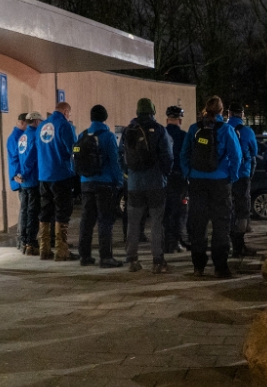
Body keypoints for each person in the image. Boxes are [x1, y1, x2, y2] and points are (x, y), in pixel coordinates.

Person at [180, 96, 241, 278]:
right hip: (220, 183)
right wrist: (232, 176)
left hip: (197, 182)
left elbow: (184, 154)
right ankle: (220, 267)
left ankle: (198, 266)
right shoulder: (227, 130)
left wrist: (189, 173)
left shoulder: (194, 129)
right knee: (221, 225)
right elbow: (236, 156)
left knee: (198, 224)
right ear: (222, 111)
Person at [121, 98, 174, 273]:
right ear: (152, 111)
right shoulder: (159, 130)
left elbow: (120, 155)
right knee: (157, 222)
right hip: (155, 183)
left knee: (134, 222)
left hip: (134, 185)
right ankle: (158, 261)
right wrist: (164, 175)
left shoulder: (128, 130)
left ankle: (132, 260)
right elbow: (168, 156)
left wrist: (128, 175)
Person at [77, 105, 123, 268]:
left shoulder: (82, 135)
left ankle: (84, 255)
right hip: (104, 184)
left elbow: (75, 155)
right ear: (105, 117)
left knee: (87, 220)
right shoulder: (108, 136)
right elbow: (114, 160)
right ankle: (106, 257)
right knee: (105, 221)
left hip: (86, 182)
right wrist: (119, 181)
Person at [37, 102, 78, 261]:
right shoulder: (65, 125)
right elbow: (73, 148)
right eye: (69, 113)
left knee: (45, 211)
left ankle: (44, 249)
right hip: (61, 174)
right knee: (62, 210)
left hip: (44, 175)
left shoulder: (42, 126)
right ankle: (61, 250)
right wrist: (80, 150)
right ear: (66, 111)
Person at [227, 103, 259, 257]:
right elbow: (254, 151)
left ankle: (228, 245)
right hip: (242, 175)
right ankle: (239, 247)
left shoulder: (221, 129)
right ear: (242, 115)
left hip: (223, 176)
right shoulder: (246, 131)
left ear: (229, 114)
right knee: (241, 210)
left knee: (227, 209)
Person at [16, 112, 43, 256]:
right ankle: (31, 242)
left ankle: (25, 241)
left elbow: (20, 157)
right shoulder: (34, 137)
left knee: (26, 212)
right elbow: (30, 159)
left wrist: (20, 174)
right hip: (32, 179)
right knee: (33, 213)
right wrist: (24, 174)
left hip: (25, 182)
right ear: (37, 121)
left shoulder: (23, 136)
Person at [164, 105, 189, 253]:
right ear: (180, 120)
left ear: (167, 119)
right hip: (179, 179)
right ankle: (176, 242)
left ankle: (167, 241)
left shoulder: (162, 133)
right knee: (179, 211)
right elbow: (186, 157)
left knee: (166, 211)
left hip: (164, 179)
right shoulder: (184, 136)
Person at [6, 113, 28, 251]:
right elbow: (16, 158)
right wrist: (17, 175)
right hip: (21, 179)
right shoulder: (16, 137)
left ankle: (22, 237)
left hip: (20, 177)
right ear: (22, 123)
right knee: (25, 209)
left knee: (25, 208)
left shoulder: (17, 136)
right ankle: (21, 238)